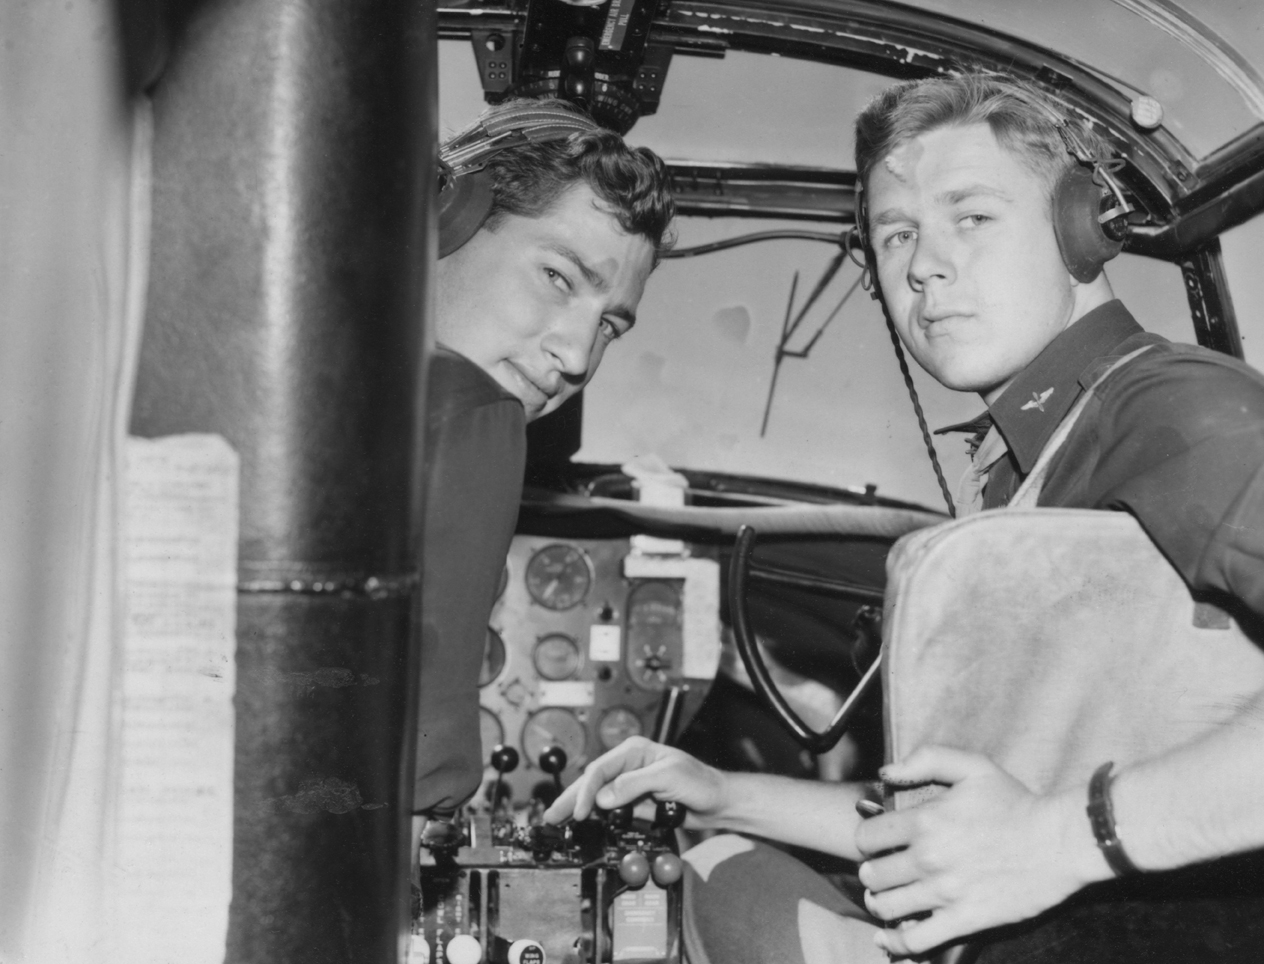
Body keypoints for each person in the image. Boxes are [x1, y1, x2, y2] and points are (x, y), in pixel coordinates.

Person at [544, 73, 1264, 962]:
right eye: (897, 235)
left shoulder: (1179, 413)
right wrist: (721, 791)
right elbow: (959, 827)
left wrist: (1068, 838)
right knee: (713, 858)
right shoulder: (1036, 462)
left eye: (971, 216)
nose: (924, 264)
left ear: (1080, 229)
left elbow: (1033, 834)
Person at [414, 99, 674, 834]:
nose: (578, 357)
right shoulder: (469, 416)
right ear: (445, 216)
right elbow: (407, 791)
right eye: (559, 278)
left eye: (610, 327)